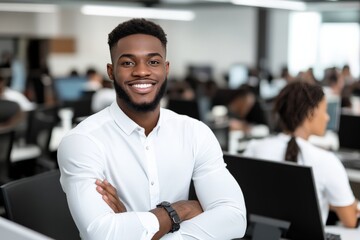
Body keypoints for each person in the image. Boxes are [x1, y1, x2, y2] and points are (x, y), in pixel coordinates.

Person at [58, 18, 246, 240]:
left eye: (153, 62)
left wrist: (139, 228)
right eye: (128, 63)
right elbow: (102, 234)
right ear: (111, 71)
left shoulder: (195, 132)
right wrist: (179, 211)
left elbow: (234, 218)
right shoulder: (83, 141)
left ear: (166, 69)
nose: (141, 72)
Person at [243, 81, 360, 228]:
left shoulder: (255, 148)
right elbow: (351, 221)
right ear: (311, 113)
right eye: (324, 111)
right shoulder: (326, 161)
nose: (327, 118)